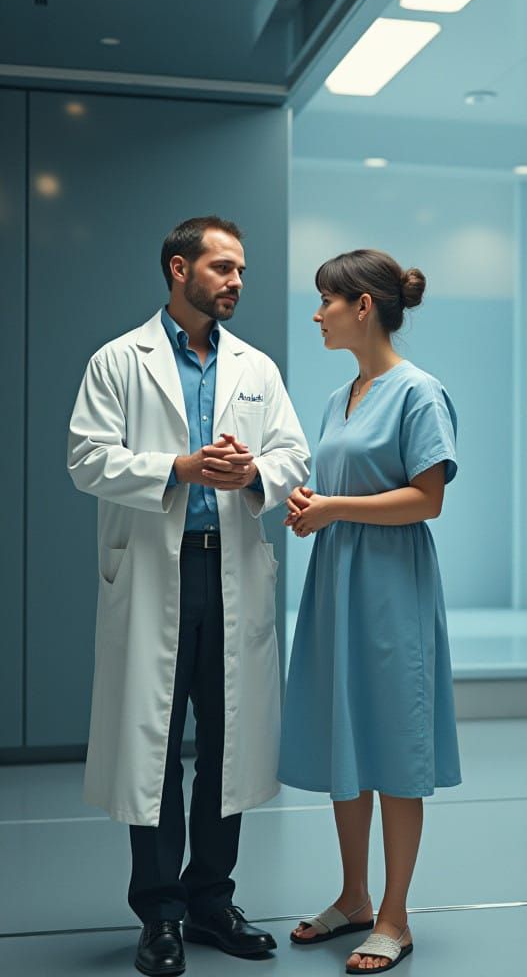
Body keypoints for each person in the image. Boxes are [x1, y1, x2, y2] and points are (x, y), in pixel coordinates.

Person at [67, 216, 311, 977]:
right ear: (180, 269)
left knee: (228, 745)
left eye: (241, 269)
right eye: (223, 267)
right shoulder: (119, 361)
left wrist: (254, 475)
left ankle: (212, 902)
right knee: (156, 747)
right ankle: (161, 914)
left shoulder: (257, 368)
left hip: (229, 567)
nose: (237, 281)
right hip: (154, 572)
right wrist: (177, 466)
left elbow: (293, 454)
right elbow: (87, 459)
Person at [279, 248, 460, 974]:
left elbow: (428, 499)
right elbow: (337, 488)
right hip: (337, 584)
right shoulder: (339, 397)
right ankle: (353, 896)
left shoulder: (420, 392)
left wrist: (333, 508)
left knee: (393, 745)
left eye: (327, 300)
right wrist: (310, 507)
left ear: (363, 307)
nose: (317, 312)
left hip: (391, 588)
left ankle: (394, 916)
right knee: (344, 741)